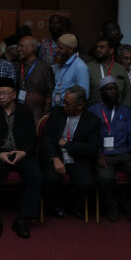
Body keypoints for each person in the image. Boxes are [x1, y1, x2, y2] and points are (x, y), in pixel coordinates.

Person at [0, 77, 40, 239]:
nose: (0, 96)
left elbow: (31, 138)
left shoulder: (25, 112)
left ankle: (23, 218)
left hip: (21, 153)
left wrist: (24, 152)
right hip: (0, 153)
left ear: (14, 95)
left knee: (35, 174)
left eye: (5, 93)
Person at [90, 76, 131, 223]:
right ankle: (111, 207)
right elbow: (90, 137)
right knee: (105, 178)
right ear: (102, 92)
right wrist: (99, 153)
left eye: (115, 88)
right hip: (104, 155)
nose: (114, 92)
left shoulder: (125, 110)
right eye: (109, 89)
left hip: (124, 153)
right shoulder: (93, 111)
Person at [40, 85, 100, 220]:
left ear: (80, 106)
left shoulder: (92, 121)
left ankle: (71, 206)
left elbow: (91, 148)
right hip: (56, 155)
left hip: (77, 157)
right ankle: (53, 206)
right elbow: (46, 136)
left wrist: (67, 144)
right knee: (51, 178)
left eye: (67, 103)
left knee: (85, 182)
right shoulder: (57, 112)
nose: (64, 105)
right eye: (64, 101)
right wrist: (54, 158)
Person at [15, 35, 54, 124]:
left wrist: (45, 114)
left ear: (32, 47)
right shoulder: (17, 66)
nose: (18, 49)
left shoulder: (44, 68)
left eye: (21, 46)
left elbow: (50, 92)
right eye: (18, 46)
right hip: (19, 114)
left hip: (37, 116)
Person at [87, 36, 131, 108]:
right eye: (97, 47)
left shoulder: (121, 69)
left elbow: (127, 92)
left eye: (102, 47)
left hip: (117, 111)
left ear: (111, 50)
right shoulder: (89, 67)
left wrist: (125, 109)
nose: (98, 49)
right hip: (95, 111)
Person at [52, 33, 90, 108]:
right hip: (56, 107)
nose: (57, 50)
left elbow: (84, 96)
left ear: (70, 50)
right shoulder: (59, 63)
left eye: (60, 48)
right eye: (57, 47)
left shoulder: (80, 67)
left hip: (69, 110)